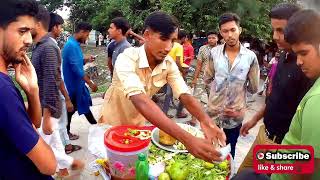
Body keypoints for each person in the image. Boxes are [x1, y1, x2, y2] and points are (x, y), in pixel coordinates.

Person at [99, 11, 226, 162]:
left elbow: (184, 93)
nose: (168, 47)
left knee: (133, 167)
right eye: (164, 39)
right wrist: (187, 139)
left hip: (138, 125)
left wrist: (206, 121)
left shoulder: (168, 64)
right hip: (112, 124)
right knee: (113, 167)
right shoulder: (127, 58)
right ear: (147, 35)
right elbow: (140, 100)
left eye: (173, 41)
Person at [238, 3, 314, 172]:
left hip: (282, 148)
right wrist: (254, 120)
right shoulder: (282, 56)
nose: (275, 36)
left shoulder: (307, 66)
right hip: (263, 135)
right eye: (274, 30)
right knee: (242, 175)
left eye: (281, 30)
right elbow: (275, 97)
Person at [0, 0, 57, 179]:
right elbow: (49, 165)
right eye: (22, 31)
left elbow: (32, 121)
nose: (29, 40)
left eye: (31, 33)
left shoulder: (5, 84)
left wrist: (32, 91)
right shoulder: (2, 90)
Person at [31, 7, 84, 177]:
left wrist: (47, 115)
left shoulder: (47, 47)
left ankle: (70, 164)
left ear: (38, 24)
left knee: (40, 148)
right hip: (44, 105)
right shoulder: (39, 46)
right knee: (54, 140)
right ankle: (65, 170)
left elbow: (52, 81)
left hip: (47, 107)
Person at [271, 9, 320, 180]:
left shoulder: (317, 98)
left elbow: (306, 168)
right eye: (297, 54)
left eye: (304, 53)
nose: (299, 61)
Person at [204, 13, 260, 158]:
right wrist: (213, 97)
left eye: (233, 30)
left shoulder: (250, 57)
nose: (229, 35)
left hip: (234, 115)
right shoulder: (214, 53)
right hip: (213, 113)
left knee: (229, 150)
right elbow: (207, 78)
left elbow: (253, 88)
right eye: (225, 31)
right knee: (209, 147)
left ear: (239, 30)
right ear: (220, 32)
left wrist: (241, 105)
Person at [62, 22, 98, 140]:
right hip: (73, 86)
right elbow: (77, 69)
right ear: (82, 31)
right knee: (72, 110)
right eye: (87, 35)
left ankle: (95, 126)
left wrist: (86, 60)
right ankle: (67, 133)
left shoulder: (74, 44)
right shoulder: (71, 46)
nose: (87, 38)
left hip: (77, 85)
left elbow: (76, 62)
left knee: (81, 106)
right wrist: (91, 83)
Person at [190, 31, 219, 126]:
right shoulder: (203, 49)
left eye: (213, 38)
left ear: (217, 39)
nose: (211, 39)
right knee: (195, 100)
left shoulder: (221, 50)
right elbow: (198, 65)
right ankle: (193, 120)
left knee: (213, 101)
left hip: (215, 80)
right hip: (202, 77)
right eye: (209, 38)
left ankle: (211, 123)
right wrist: (195, 78)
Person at [162, 29, 188, 118]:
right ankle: (179, 112)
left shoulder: (168, 44)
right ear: (184, 38)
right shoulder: (179, 46)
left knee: (168, 94)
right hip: (175, 73)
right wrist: (183, 71)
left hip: (166, 70)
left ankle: (164, 113)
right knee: (184, 92)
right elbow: (177, 61)